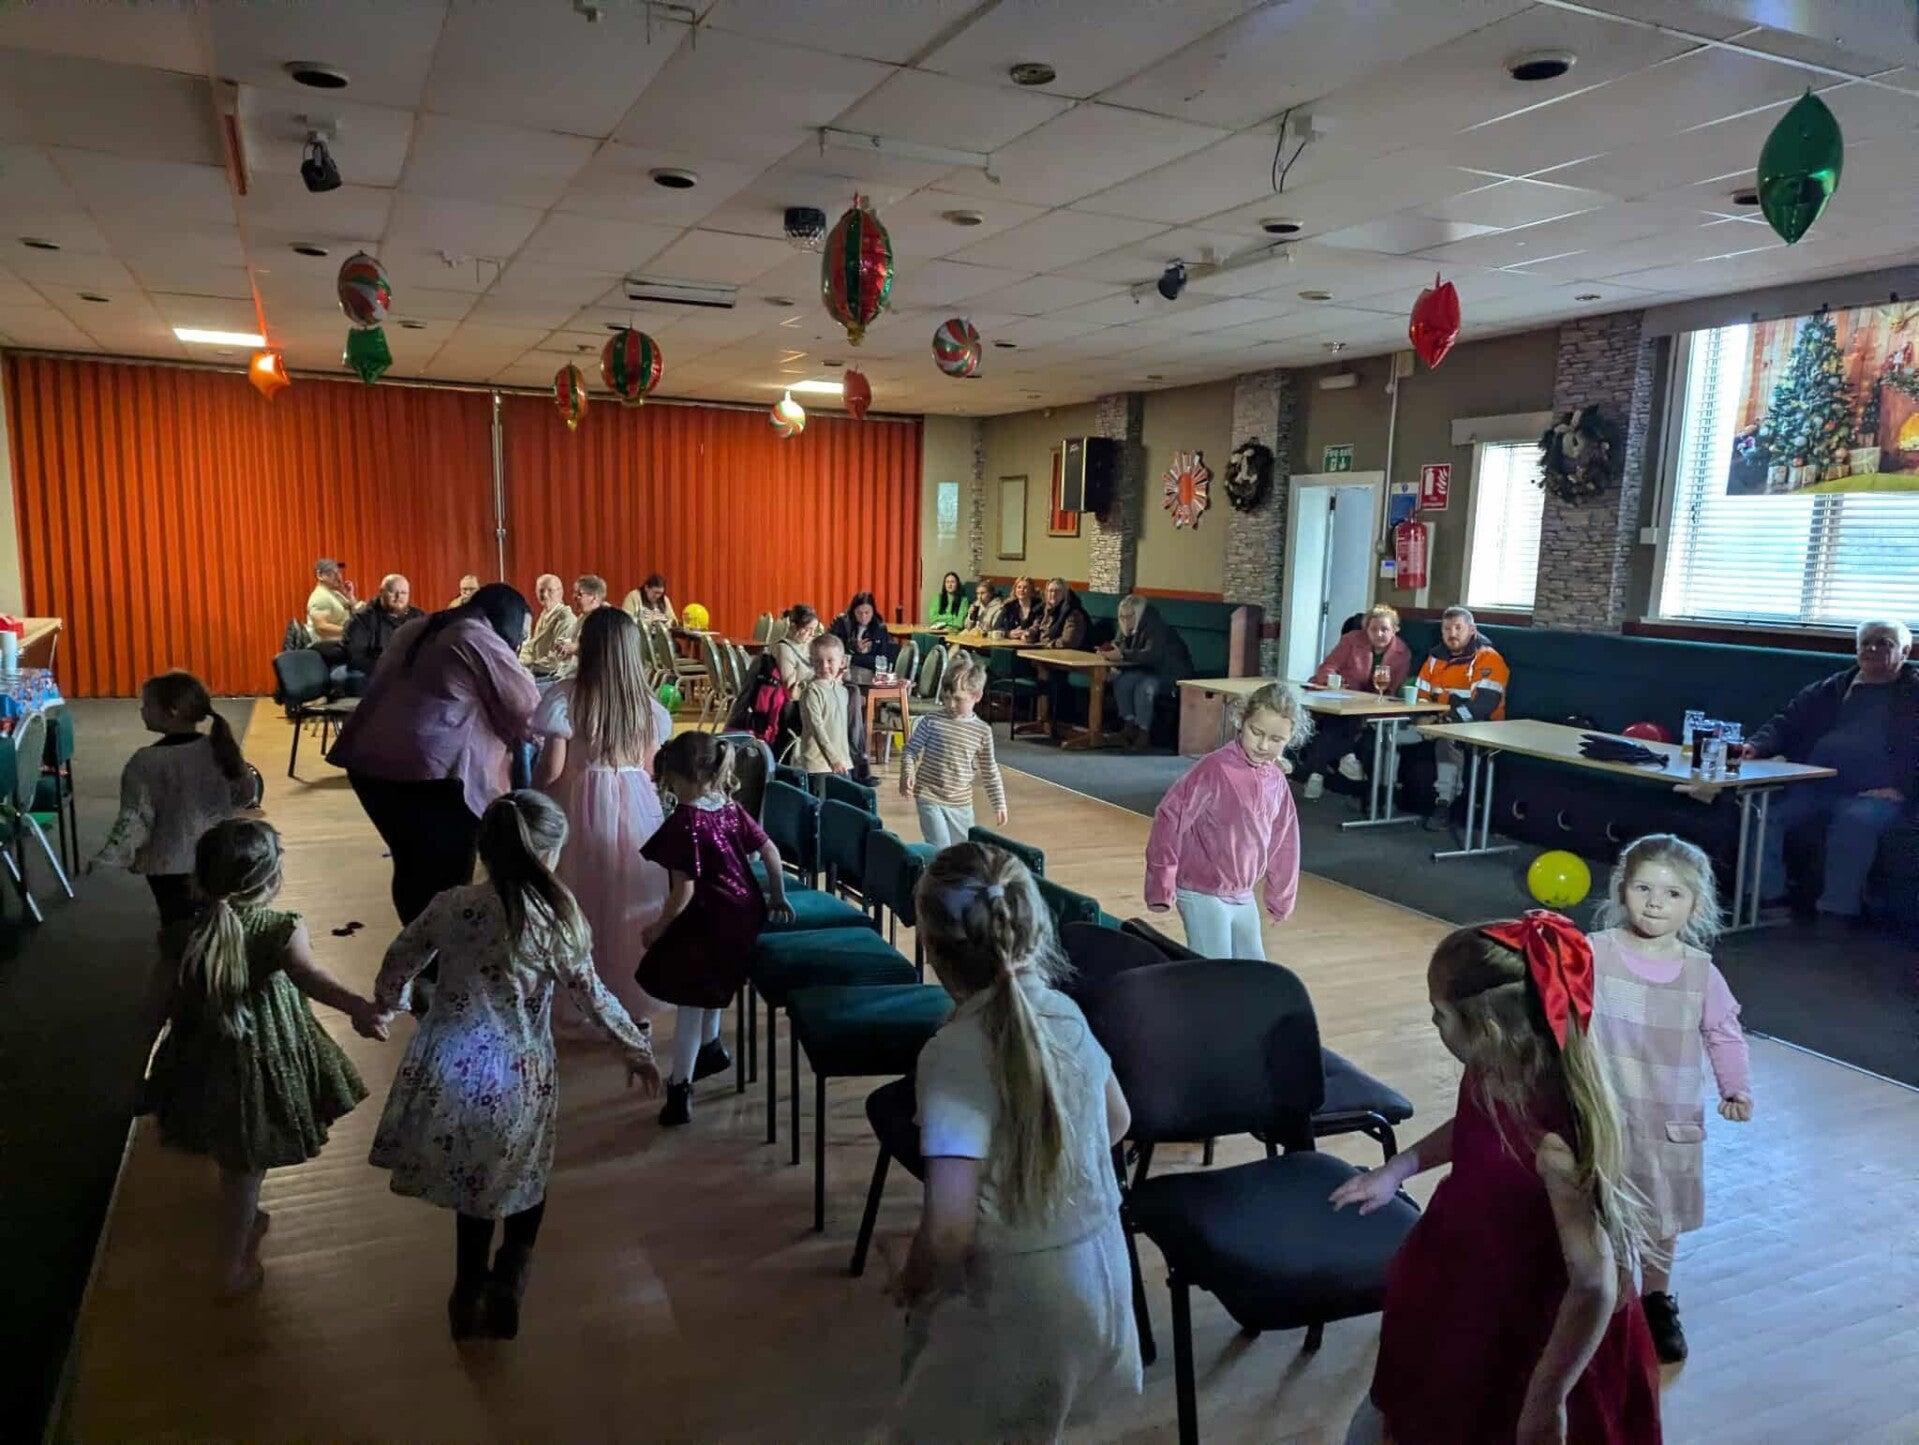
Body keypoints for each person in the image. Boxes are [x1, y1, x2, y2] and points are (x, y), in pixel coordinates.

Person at [1331, 912, 1661, 1445]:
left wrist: (1547, 1396)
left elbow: (1594, 1283)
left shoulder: (1554, 1146)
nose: (1433, 1021)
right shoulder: (1494, 1068)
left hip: (1525, 1325)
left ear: (1486, 1028)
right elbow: (1475, 1125)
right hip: (1462, 1281)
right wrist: (1400, 1166)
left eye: (1440, 1013)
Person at [367, 791, 660, 1341]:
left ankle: (468, 1288)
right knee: (527, 1171)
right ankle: (512, 1271)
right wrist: (634, 1047)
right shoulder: (554, 920)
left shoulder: (452, 905)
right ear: (547, 855)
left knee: (475, 1183)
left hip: (455, 1066)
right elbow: (592, 996)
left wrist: (389, 1003)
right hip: (520, 1073)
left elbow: (400, 957)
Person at [885, 843, 1140, 1440]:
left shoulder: (952, 1054)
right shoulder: (1064, 1014)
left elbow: (949, 1231)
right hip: (1100, 1277)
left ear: (932, 948)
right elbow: (1118, 1121)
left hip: (1017, 1301)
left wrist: (911, 1277)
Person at [144, 819, 378, 1295]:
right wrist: (357, 1006)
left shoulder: (182, 933)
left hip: (201, 1055)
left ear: (199, 877)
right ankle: (232, 1268)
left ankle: (243, 1217)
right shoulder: (280, 928)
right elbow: (312, 978)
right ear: (270, 881)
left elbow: (155, 1005)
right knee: (245, 1165)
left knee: (232, 1147)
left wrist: (139, 1067)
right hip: (263, 1058)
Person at [1587, 834, 1752, 1365]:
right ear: (1622, 889)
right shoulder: (1594, 954)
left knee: (1662, 1216)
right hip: (1604, 1114)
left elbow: (1724, 1033)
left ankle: (1655, 1300)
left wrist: (1735, 1086)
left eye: (1673, 894)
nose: (1655, 903)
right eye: (1643, 888)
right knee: (1605, 1210)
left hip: (1670, 1121)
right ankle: (1609, 1304)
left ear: (1695, 906)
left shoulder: (1701, 972)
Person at [330, 583, 539, 925]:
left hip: (370, 767)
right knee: (446, 875)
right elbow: (528, 711)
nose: (519, 644)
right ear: (509, 621)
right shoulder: (476, 636)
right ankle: (438, 952)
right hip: (427, 773)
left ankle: (416, 945)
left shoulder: (417, 626)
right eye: (522, 635)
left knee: (410, 864)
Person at [638, 733, 792, 1128]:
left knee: (690, 1000)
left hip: (709, 916)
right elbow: (770, 851)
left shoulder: (685, 821)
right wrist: (777, 896)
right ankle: (711, 1048)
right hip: (745, 912)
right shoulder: (730, 808)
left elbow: (684, 891)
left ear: (678, 777)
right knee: (712, 983)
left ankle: (680, 1089)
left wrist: (658, 926)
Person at [534, 607, 674, 1028]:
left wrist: (533, 798)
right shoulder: (645, 706)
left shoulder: (566, 696)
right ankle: (634, 1000)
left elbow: (551, 771)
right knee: (632, 898)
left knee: (580, 899)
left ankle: (584, 996)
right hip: (637, 805)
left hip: (578, 801)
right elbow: (649, 768)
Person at [1746, 618, 1915, 920]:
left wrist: (1905, 789)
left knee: (1855, 820)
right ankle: (1769, 898)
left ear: (1905, 652)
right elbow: (1786, 722)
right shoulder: (1833, 687)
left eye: (1884, 643)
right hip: (1815, 783)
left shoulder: (1913, 695)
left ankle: (1836, 914)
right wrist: (1756, 747)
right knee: (1762, 812)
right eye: (1866, 643)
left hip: (1876, 794)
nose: (1872, 649)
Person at [1144, 682, 1307, 959]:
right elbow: (1170, 818)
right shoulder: (1214, 769)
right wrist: (1161, 881)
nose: (1263, 745)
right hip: (1200, 890)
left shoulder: (1277, 780)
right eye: (1256, 732)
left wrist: (1281, 896)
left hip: (1243, 894)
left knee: (1252, 973)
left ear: (1290, 739)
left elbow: (1285, 841)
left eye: (1276, 739)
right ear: (1241, 721)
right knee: (1213, 972)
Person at [92, 670, 256, 938]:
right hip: (219, 855)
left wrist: (110, 856)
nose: (142, 711)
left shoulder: (145, 762)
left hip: (168, 864)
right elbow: (246, 793)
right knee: (217, 924)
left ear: (172, 711)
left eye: (147, 705)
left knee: (177, 929)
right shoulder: (218, 747)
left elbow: (135, 818)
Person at [1302, 604, 1414, 796]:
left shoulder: (1403, 653)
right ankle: (1345, 756)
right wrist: (1331, 681)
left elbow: (1394, 690)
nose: (1378, 634)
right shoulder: (1351, 640)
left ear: (1395, 629)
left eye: (1384, 629)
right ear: (1366, 629)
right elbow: (1328, 666)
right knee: (1339, 718)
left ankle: (1318, 772)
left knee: (1341, 723)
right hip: (1341, 697)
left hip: (1373, 707)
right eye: (1373, 629)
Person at [900, 655, 1006, 848]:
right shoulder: (931, 721)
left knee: (962, 852)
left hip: (961, 802)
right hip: (929, 795)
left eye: (958, 699)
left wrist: (999, 803)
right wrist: (907, 772)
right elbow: (910, 750)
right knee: (939, 848)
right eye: (947, 698)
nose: (950, 705)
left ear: (977, 696)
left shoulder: (982, 731)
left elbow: (990, 770)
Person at [1413, 605, 1510, 809]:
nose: (1452, 634)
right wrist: (1421, 716)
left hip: (1481, 725)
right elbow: (1421, 696)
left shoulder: (1488, 658)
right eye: (1447, 629)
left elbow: (1483, 705)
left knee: (1447, 738)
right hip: (1435, 720)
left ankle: (1445, 802)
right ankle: (1380, 793)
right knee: (1387, 730)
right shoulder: (1434, 658)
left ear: (1472, 630)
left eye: (1458, 628)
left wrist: (1445, 721)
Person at [1100, 593, 1193, 750]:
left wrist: (1122, 655)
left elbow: (1151, 655)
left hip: (1171, 674)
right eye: (1122, 616)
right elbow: (1119, 645)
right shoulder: (1126, 626)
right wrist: (1109, 652)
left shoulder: (1156, 626)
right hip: (1148, 671)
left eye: (1129, 616)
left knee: (1145, 686)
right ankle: (1129, 725)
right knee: (1122, 681)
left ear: (1138, 614)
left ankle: (1143, 732)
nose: (1125, 620)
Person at [340, 573, 425, 696]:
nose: (398, 597)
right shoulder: (362, 619)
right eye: (393, 592)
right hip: (372, 672)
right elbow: (356, 657)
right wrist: (390, 669)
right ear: (381, 592)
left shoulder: (418, 617)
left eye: (403, 593)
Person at [797, 633, 855, 789]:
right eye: (818, 661)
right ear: (811, 661)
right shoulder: (812, 691)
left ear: (842, 662)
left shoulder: (842, 691)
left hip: (843, 763)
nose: (824, 666)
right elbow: (816, 727)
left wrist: (841, 760)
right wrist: (833, 759)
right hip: (818, 766)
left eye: (830, 660)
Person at [520, 574, 576, 680]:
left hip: (556, 677)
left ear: (560, 592)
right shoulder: (545, 614)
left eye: (550, 591)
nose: (545, 595)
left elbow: (557, 659)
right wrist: (519, 660)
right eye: (541, 591)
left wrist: (528, 666)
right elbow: (532, 647)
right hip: (539, 671)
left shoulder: (566, 619)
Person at [552, 573, 610, 673]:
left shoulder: (605, 619)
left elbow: (602, 650)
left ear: (594, 598)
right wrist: (562, 643)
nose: (574, 597)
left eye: (579, 594)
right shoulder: (583, 616)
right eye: (574, 593)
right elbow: (569, 637)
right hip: (569, 672)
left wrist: (575, 649)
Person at [831, 590, 896, 672]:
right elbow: (832, 648)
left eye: (867, 613)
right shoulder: (842, 623)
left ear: (873, 612)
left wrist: (853, 658)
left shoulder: (880, 628)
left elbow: (882, 660)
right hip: (844, 670)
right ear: (853, 611)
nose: (863, 617)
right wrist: (852, 647)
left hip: (870, 671)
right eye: (859, 613)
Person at [772, 603, 823, 691]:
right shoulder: (784, 649)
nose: (812, 634)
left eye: (814, 630)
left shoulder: (810, 643)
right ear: (793, 627)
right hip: (802, 695)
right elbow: (790, 689)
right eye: (807, 629)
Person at [305, 557, 356, 645]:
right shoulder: (320, 597)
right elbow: (321, 627)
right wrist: (349, 630)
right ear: (320, 576)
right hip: (330, 646)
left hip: (344, 643)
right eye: (333, 573)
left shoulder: (336, 594)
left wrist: (350, 596)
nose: (338, 577)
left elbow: (357, 612)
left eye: (338, 572)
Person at [994, 576, 1043, 641]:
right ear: (1015, 590)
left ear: (1031, 590)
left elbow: (1039, 627)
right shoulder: (1008, 606)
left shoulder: (1040, 606)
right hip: (1011, 642)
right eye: (1019, 587)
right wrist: (1008, 633)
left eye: (1025, 587)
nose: (1021, 590)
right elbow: (996, 627)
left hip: (1033, 643)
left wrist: (1028, 633)